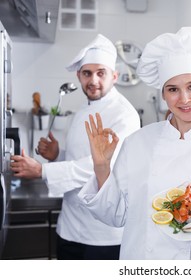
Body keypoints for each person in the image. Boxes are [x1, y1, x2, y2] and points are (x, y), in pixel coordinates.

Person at [78, 27, 191, 260]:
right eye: (173, 89)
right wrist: (101, 166)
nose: (184, 99)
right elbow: (115, 216)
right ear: (163, 95)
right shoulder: (137, 143)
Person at [10, 34, 140, 259]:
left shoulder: (125, 115)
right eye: (87, 73)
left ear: (114, 76)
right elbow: (79, 158)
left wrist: (42, 170)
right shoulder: (82, 110)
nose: (93, 81)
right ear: (79, 75)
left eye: (101, 73)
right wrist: (57, 155)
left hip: (104, 234)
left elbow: (100, 166)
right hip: (70, 227)